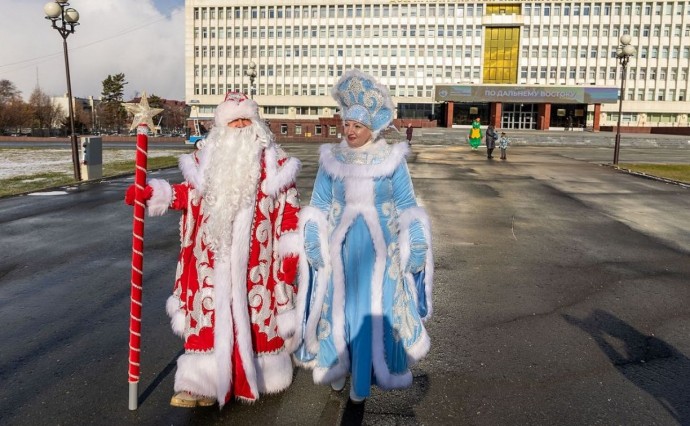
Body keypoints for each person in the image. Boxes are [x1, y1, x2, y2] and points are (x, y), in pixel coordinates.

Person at [124, 92, 302, 408]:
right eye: (234, 121)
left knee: (256, 317)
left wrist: (291, 254)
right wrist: (154, 193)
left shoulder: (278, 165)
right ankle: (200, 382)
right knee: (208, 318)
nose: (241, 126)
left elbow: (290, 211)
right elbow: (188, 195)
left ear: (257, 124)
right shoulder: (205, 164)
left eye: (246, 120)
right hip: (212, 260)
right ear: (221, 126)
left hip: (258, 265)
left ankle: (260, 373)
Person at [292, 69, 434, 404]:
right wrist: (312, 233)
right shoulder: (332, 159)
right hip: (341, 250)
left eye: (357, 125)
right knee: (338, 306)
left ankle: (365, 373)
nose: (350, 130)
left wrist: (415, 237)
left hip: (381, 249)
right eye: (346, 124)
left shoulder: (391, 159)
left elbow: (406, 204)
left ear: (371, 127)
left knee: (377, 307)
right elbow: (319, 204)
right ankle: (337, 366)